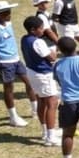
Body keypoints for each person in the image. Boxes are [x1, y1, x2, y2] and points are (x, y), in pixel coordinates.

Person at [0, 1, 37, 127]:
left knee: (30, 82)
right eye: (6, 12)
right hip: (3, 63)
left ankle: (35, 109)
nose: (9, 14)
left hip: (16, 60)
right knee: (9, 88)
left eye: (9, 11)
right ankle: (13, 117)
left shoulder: (8, 23)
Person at [21, 16, 61, 146]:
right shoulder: (38, 42)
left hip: (32, 73)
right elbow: (51, 58)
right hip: (43, 75)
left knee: (42, 101)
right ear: (33, 30)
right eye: (41, 28)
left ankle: (45, 131)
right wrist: (54, 50)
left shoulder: (24, 39)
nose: (43, 30)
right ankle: (50, 137)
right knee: (52, 103)